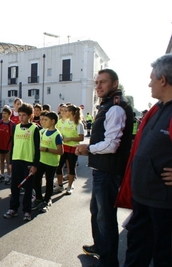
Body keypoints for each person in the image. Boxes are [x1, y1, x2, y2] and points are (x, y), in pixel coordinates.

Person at [75, 69, 133, 267]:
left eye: (103, 82)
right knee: (97, 213)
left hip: (108, 172)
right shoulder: (107, 105)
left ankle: (109, 261)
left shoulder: (115, 108)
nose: (98, 86)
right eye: (96, 82)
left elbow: (112, 144)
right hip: (101, 170)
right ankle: (100, 247)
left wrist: (88, 148)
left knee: (105, 219)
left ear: (114, 84)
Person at [122, 54, 172, 267]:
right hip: (143, 198)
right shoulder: (157, 109)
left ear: (163, 80)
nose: (149, 83)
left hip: (163, 203)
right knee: (136, 250)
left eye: (152, 78)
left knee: (164, 256)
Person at [3, 103, 40, 222]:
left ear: (30, 116)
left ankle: (27, 211)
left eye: (24, 115)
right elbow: (13, 145)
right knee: (14, 186)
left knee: (28, 189)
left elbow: (37, 148)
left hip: (28, 161)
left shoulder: (35, 128)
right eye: (20, 115)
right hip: (16, 160)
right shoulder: (16, 127)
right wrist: (10, 162)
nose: (21, 117)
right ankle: (13, 208)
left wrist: (35, 165)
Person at [31, 111, 63, 213]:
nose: (43, 122)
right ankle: (39, 198)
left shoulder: (57, 134)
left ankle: (47, 200)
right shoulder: (43, 132)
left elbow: (61, 151)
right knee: (36, 179)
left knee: (49, 182)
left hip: (51, 162)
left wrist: (47, 150)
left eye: (46, 120)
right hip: (41, 161)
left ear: (53, 121)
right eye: (42, 120)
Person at [54, 105, 84, 195]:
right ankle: (59, 185)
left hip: (72, 149)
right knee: (58, 167)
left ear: (71, 112)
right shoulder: (65, 122)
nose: (64, 112)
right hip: (63, 148)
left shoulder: (79, 124)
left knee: (71, 168)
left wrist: (70, 138)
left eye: (66, 111)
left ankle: (70, 186)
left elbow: (81, 138)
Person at [0, 106, 14, 185]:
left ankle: (8, 176)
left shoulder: (12, 124)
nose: (3, 115)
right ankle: (2, 174)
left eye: (5, 113)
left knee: (8, 162)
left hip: (8, 146)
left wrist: (11, 147)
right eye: (3, 113)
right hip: (1, 145)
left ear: (9, 114)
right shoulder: (0, 122)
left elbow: (13, 137)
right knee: (1, 161)